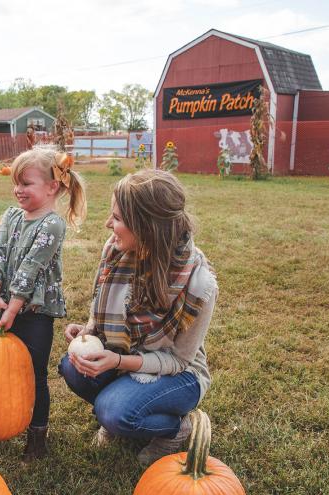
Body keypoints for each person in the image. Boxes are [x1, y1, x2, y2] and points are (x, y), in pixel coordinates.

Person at [58, 169, 218, 467]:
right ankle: (122, 403)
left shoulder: (198, 284)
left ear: (147, 228)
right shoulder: (115, 251)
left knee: (114, 413)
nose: (108, 224)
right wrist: (89, 331)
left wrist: (117, 362)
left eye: (117, 218)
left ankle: (178, 429)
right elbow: (101, 309)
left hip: (179, 375)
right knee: (73, 367)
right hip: (127, 354)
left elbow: (179, 361)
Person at [0, 145, 86, 460]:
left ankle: (37, 435)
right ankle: (5, 420)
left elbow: (32, 267)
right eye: (16, 183)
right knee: (2, 368)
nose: (18, 190)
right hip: (5, 306)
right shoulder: (12, 216)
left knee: (34, 373)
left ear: (52, 187)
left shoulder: (52, 225)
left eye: (26, 184)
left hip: (34, 312)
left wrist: (13, 308)